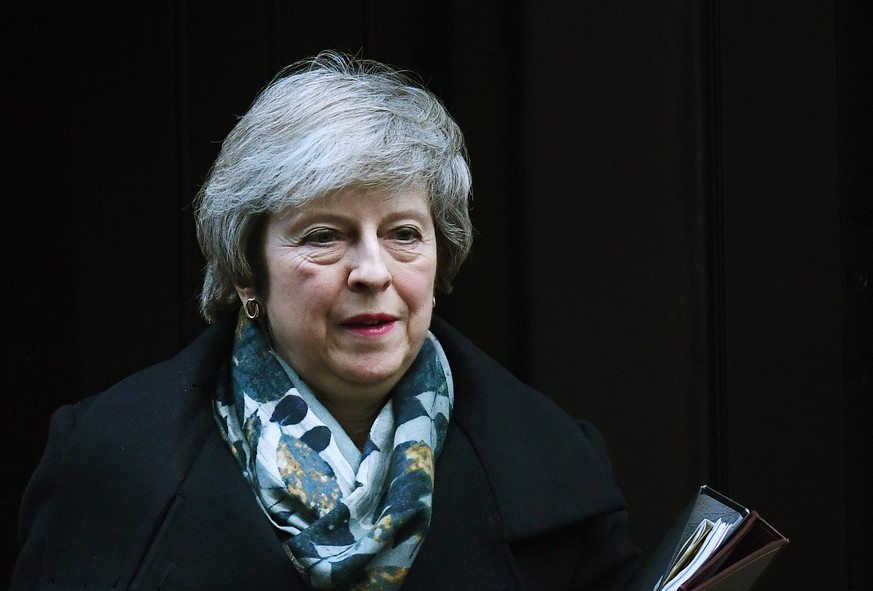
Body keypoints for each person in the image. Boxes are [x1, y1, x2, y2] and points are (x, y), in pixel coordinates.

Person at [12, 50, 642, 590]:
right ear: (248, 271)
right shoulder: (103, 465)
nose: (373, 271)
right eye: (324, 236)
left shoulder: (559, 465)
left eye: (402, 234)